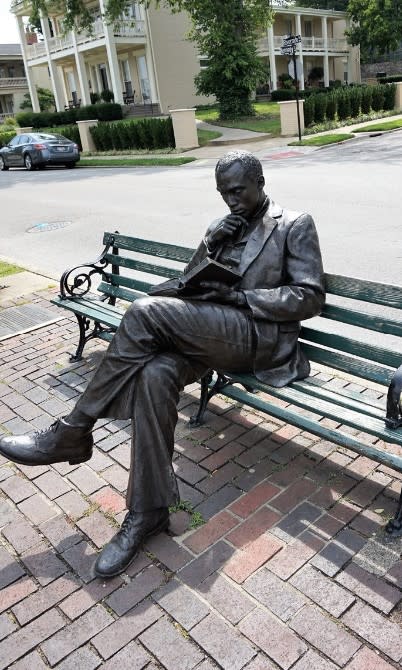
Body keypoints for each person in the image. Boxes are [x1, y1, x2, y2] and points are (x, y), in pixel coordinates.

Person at [0, 150, 325, 578]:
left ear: (260, 181)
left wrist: (241, 297)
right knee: (155, 375)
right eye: (223, 192)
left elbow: (310, 295)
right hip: (204, 335)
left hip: (252, 338)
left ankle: (73, 431)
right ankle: (146, 512)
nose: (230, 199)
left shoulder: (293, 225)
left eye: (238, 190)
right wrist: (213, 245)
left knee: (142, 313)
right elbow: (187, 283)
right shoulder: (218, 228)